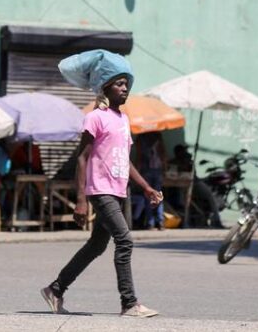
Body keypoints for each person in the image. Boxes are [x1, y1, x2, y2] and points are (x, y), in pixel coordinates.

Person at [41, 50, 162, 318]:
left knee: (96, 246)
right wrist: (81, 200)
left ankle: (56, 289)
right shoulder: (95, 117)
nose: (125, 88)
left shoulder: (123, 120)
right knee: (125, 240)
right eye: (119, 83)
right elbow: (82, 159)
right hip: (100, 190)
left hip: (118, 191)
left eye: (126, 84)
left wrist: (146, 187)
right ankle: (129, 303)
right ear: (105, 86)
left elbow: (125, 161)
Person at [133, 132, 166, 230]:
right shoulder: (158, 136)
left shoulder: (140, 138)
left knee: (148, 197)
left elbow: (139, 157)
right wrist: (165, 169)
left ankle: (150, 223)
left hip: (146, 170)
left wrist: (137, 173)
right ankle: (160, 222)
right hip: (157, 170)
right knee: (158, 195)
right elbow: (163, 154)